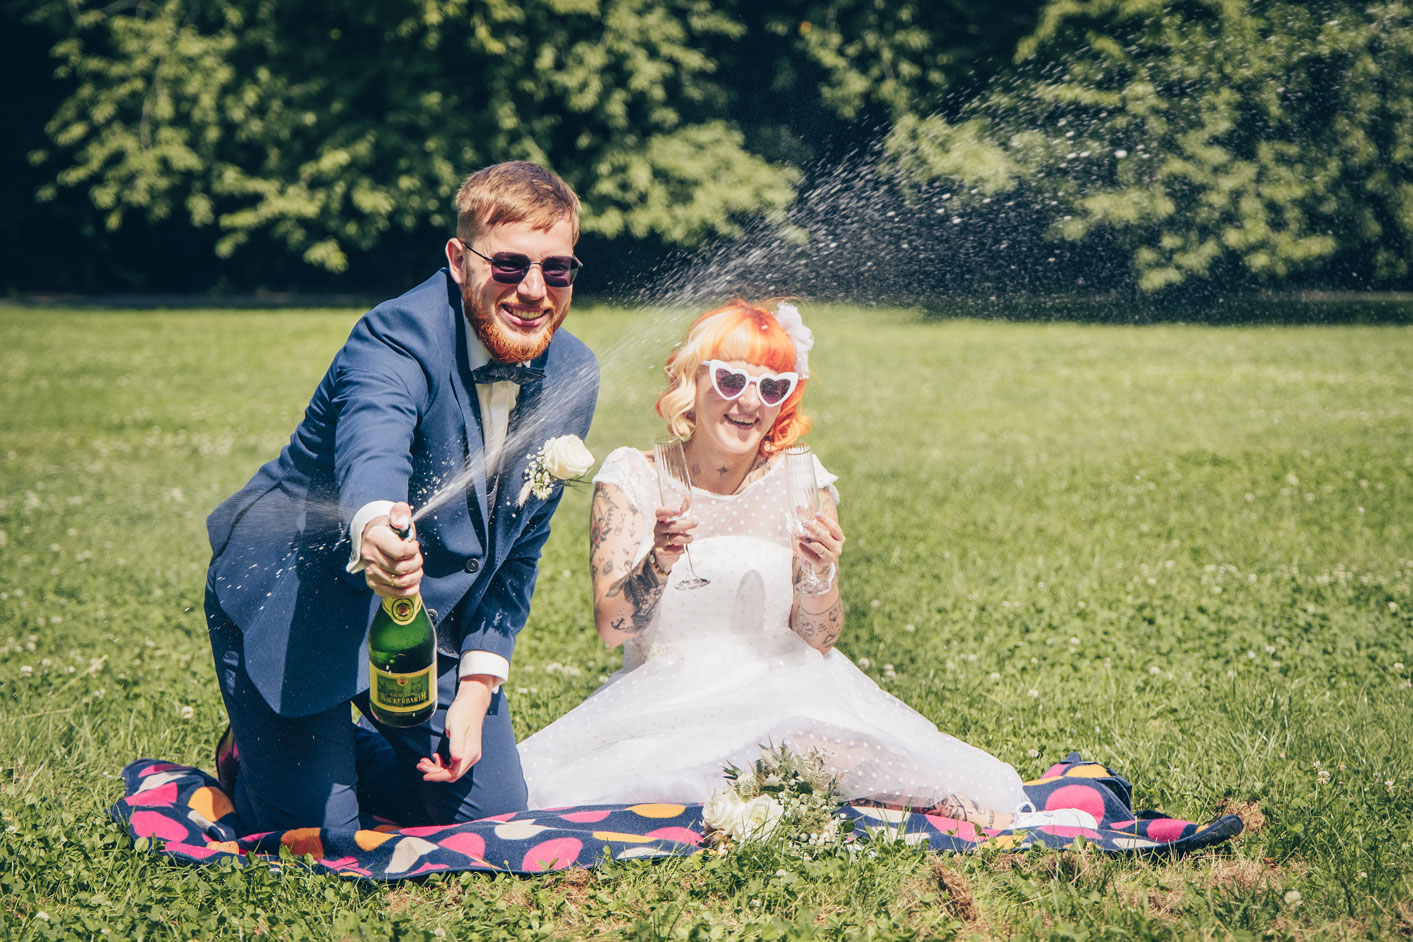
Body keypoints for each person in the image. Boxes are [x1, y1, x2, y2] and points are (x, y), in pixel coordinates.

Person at [517, 300, 1091, 832]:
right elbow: (614, 626)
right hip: (669, 697)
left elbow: (818, 637)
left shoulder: (802, 480)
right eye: (732, 379)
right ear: (692, 381)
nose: (749, 402)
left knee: (821, 745)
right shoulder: (634, 476)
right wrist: (659, 561)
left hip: (792, 690)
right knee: (653, 777)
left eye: (772, 387)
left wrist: (819, 574)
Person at [204, 161, 598, 832]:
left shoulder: (572, 372)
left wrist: (476, 687)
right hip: (299, 596)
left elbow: (520, 548)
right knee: (317, 834)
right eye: (509, 266)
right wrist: (373, 529)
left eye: (555, 269)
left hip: (419, 626)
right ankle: (261, 747)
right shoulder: (395, 338)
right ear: (457, 258)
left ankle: (341, 752)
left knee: (493, 814)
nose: (534, 291)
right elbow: (372, 442)